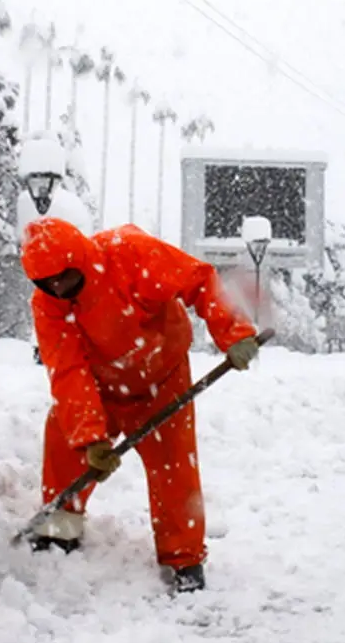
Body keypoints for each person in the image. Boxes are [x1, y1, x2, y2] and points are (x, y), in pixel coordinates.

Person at [20, 217, 259, 593]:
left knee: (175, 468)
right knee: (65, 443)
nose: (57, 289)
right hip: (100, 384)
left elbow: (199, 280)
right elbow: (66, 369)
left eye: (64, 278)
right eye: (46, 283)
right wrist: (90, 437)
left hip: (162, 377)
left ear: (81, 260)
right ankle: (60, 528)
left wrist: (235, 332)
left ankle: (185, 560)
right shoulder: (49, 304)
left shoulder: (131, 255)